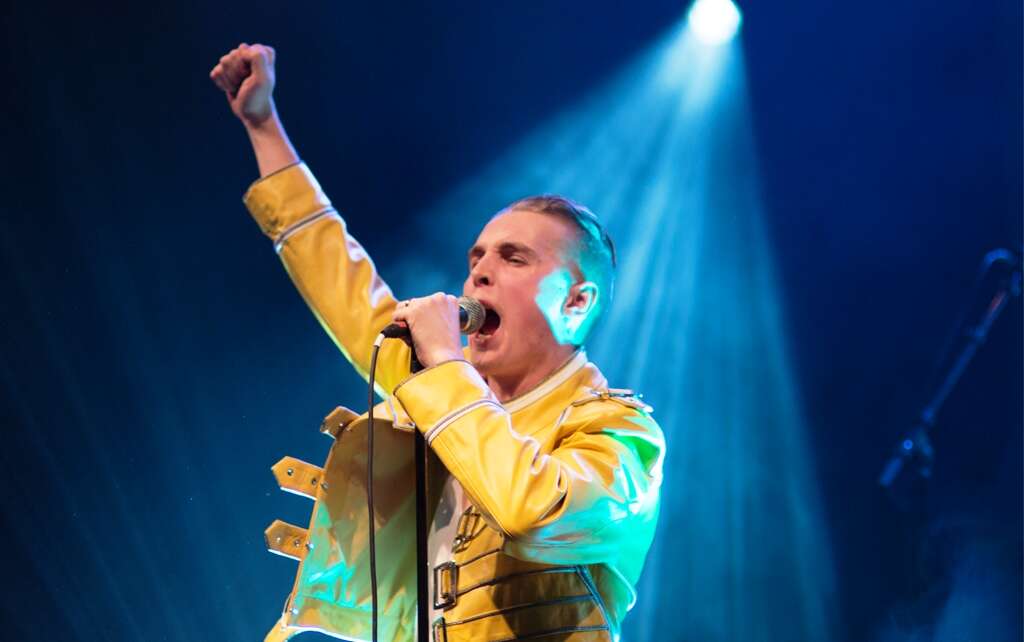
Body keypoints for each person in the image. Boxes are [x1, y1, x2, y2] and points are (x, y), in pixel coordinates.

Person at [211, 43, 664, 642]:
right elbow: (342, 284)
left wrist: (446, 363)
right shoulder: (443, 387)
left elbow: (533, 512)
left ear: (576, 302)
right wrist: (264, 124)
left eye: (514, 258)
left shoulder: (619, 434)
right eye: (476, 258)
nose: (479, 274)